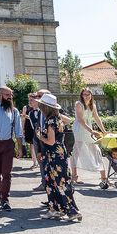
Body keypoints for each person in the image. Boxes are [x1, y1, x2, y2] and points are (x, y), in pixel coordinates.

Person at [35, 93, 82, 222]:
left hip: (53, 156)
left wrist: (40, 136)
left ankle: (71, 211)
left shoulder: (50, 121)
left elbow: (50, 141)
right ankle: (55, 209)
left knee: (58, 183)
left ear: (45, 107)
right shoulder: (58, 119)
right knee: (56, 182)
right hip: (59, 154)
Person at [71, 88, 108, 187]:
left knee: (97, 151)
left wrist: (104, 131)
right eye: (84, 94)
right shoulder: (79, 104)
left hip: (89, 130)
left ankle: (104, 178)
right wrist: (91, 131)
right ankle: (74, 176)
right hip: (79, 129)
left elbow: (97, 118)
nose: (86, 96)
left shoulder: (93, 105)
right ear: (81, 95)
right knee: (76, 152)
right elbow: (80, 120)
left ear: (91, 95)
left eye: (88, 94)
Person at [21, 95, 39, 169]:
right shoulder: (26, 108)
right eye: (29, 100)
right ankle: (35, 162)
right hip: (29, 127)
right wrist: (22, 129)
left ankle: (38, 162)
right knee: (32, 145)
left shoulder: (39, 109)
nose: (30, 102)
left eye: (31, 100)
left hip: (37, 127)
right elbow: (23, 119)